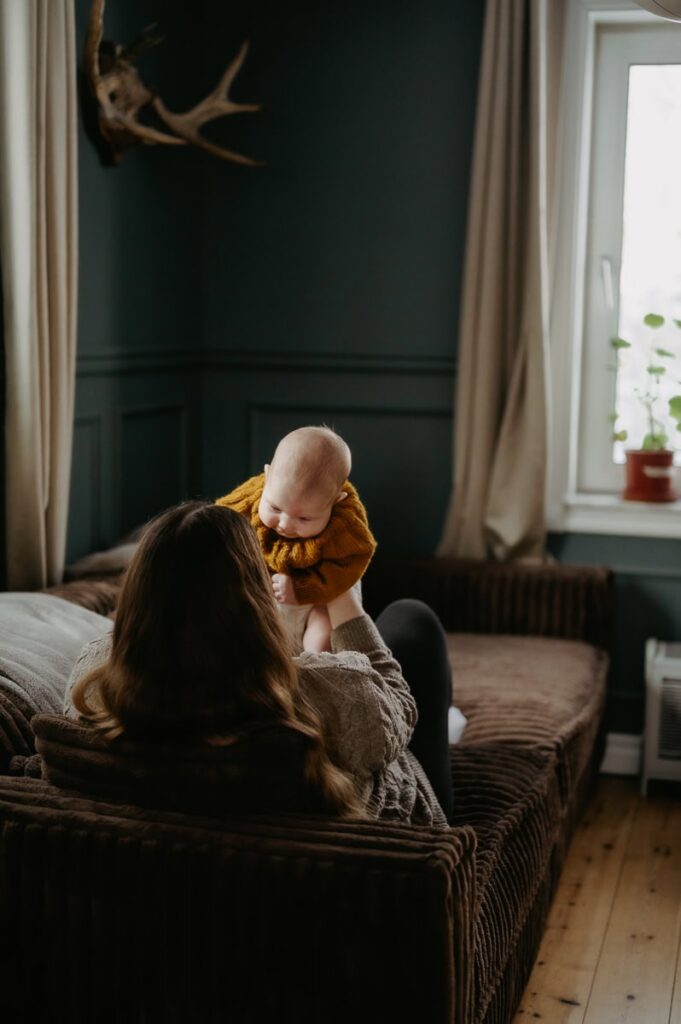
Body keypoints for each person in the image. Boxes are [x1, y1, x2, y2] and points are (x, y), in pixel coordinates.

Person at [67, 501, 453, 824]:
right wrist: (343, 599)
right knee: (411, 622)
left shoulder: (91, 681)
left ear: (137, 597)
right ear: (251, 604)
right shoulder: (329, 697)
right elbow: (400, 704)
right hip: (391, 832)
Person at [215, 426, 376, 654]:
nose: (285, 524)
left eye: (304, 518)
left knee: (324, 628)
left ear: (335, 501)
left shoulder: (346, 525)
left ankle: (314, 663)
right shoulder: (250, 498)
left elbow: (347, 569)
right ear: (267, 476)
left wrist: (301, 588)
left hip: (313, 603)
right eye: (275, 508)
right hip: (264, 598)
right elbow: (219, 521)